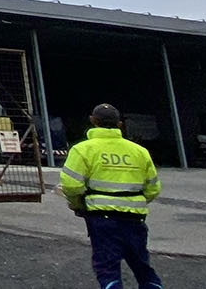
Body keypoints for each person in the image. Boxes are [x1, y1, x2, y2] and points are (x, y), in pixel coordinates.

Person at [60, 103, 163, 289]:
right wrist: (133, 202)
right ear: (120, 124)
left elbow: (71, 185)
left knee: (107, 268)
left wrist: (78, 204)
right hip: (135, 218)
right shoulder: (139, 152)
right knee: (142, 266)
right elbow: (153, 188)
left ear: (93, 121)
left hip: (102, 218)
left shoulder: (82, 149)